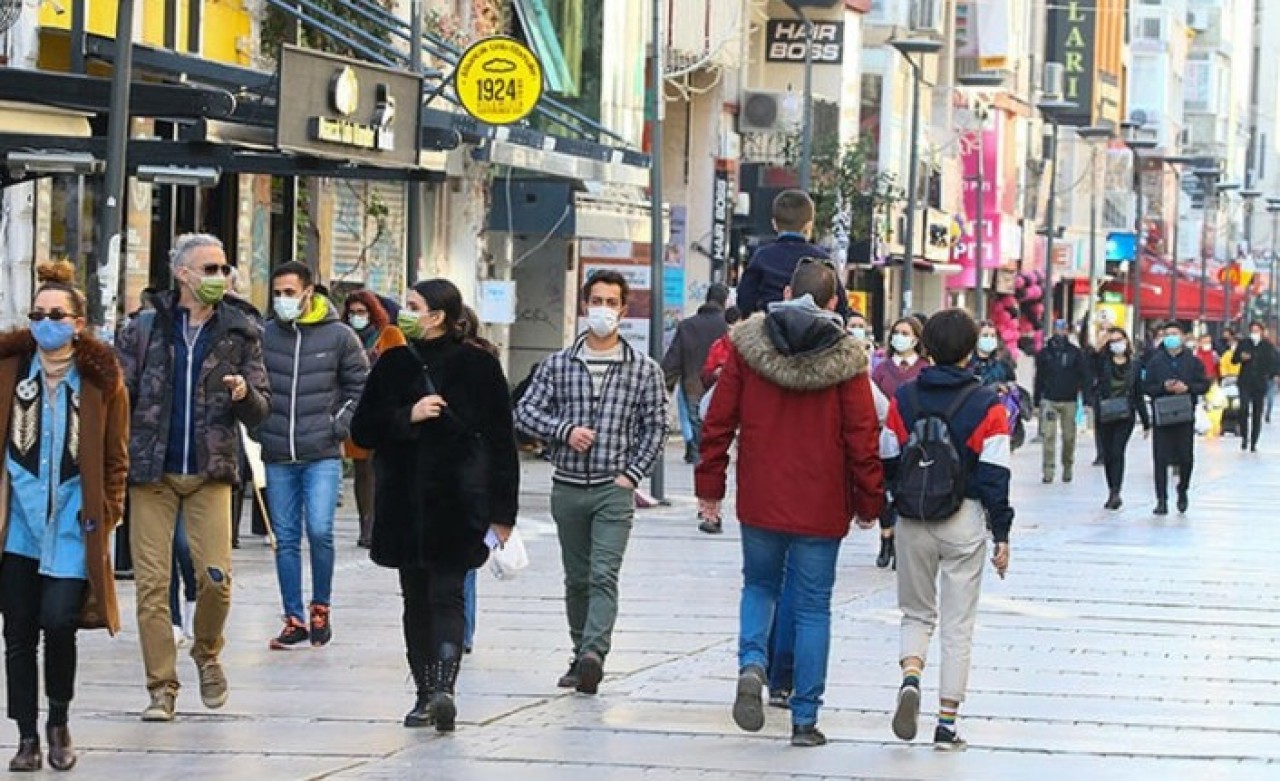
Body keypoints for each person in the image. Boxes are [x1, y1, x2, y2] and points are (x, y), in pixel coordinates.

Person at [695, 261, 884, 747]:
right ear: (834, 302)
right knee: (813, 607)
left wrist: (710, 488)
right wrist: (870, 502)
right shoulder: (848, 357)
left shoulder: (747, 346)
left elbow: (718, 421)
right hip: (822, 503)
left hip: (761, 496)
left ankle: (752, 663)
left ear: (785, 292)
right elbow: (863, 436)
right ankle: (804, 719)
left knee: (759, 586)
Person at [350, 279, 518, 732]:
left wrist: (503, 514)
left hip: (457, 503)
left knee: (447, 594)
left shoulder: (479, 366)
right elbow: (362, 429)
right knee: (415, 599)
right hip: (403, 504)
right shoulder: (394, 363)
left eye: (413, 305)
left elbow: (502, 443)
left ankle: (443, 689)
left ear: (438, 316)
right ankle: (425, 693)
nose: (404, 313)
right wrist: (408, 415)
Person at [115, 233, 271, 722]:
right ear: (182, 274)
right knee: (152, 587)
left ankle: (206, 651)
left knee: (215, 579)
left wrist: (245, 394)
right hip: (153, 473)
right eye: (209, 268)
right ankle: (161, 688)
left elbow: (261, 410)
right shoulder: (143, 329)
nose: (220, 277)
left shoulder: (240, 331)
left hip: (211, 471)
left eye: (224, 269)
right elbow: (119, 397)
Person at [514, 270, 669, 695]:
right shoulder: (559, 364)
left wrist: (631, 475)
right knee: (577, 577)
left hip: (612, 489)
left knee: (603, 573)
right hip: (567, 486)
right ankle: (578, 649)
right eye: (596, 301)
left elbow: (656, 427)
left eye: (611, 302)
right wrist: (564, 431)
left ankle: (593, 655)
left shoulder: (643, 369)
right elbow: (525, 412)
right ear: (585, 306)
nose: (603, 309)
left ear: (623, 309)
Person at [0, 262, 129, 772]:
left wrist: (107, 512)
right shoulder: (9, 372)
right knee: (17, 632)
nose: (46, 323)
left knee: (59, 623)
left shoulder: (101, 382)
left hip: (74, 526)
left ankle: (58, 721)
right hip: (17, 526)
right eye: (38, 314)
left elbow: (116, 460)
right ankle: (26, 736)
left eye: (57, 315)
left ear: (78, 323)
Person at [881, 308, 1014, 751]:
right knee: (958, 625)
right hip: (963, 518)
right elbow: (995, 475)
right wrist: (1001, 533)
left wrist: (891, 508)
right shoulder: (988, 403)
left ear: (927, 347)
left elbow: (887, 458)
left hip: (914, 517)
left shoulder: (904, 399)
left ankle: (911, 676)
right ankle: (946, 724)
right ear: (971, 350)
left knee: (916, 613)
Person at [258, 261, 369, 649]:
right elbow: (255, 386)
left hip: (321, 452)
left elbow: (360, 386)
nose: (282, 300)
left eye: (289, 292)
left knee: (320, 530)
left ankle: (321, 605)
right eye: (277, 293)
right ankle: (293, 617)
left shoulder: (339, 336)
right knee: (285, 538)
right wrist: (259, 427)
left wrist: (337, 426)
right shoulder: (266, 335)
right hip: (277, 453)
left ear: (308, 292)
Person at [340, 290, 405, 549]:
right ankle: (366, 525)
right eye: (352, 312)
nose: (356, 317)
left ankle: (382, 522)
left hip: (385, 408)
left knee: (382, 468)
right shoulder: (344, 336)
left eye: (361, 312)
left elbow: (402, 369)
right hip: (356, 409)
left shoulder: (389, 334)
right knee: (363, 469)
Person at [734, 190, 851, 319]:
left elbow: (744, 300)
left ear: (774, 224)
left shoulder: (762, 256)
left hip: (771, 324)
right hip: (814, 325)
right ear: (809, 226)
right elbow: (841, 306)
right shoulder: (822, 260)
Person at [869, 316, 926, 569]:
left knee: (907, 490)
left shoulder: (924, 368)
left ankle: (901, 542)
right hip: (883, 437)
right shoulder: (881, 369)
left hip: (914, 439)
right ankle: (886, 538)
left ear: (916, 338)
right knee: (885, 490)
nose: (900, 337)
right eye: (897, 332)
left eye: (906, 333)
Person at [1143, 322, 1211, 515]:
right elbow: (1147, 387)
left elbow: (1204, 385)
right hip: (1162, 415)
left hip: (1184, 415)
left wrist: (1187, 388)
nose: (1171, 337)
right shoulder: (1155, 362)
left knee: (1186, 458)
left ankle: (1183, 488)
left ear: (1182, 336)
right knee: (1160, 458)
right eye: (1167, 334)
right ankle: (1161, 499)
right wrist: (1163, 387)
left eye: (1175, 333)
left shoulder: (1193, 362)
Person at [662, 283, 730, 464]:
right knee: (715, 420)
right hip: (719, 383)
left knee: (694, 418)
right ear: (724, 302)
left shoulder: (687, 326)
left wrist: (665, 383)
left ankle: (695, 452)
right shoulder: (727, 327)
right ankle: (709, 454)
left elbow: (674, 358)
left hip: (692, 383)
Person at [1091, 328, 1151, 510]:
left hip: (1126, 414)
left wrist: (1146, 421)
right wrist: (1100, 341)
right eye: (1113, 341)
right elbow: (1089, 360)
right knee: (1108, 454)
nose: (1117, 344)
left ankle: (1116, 491)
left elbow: (1139, 393)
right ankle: (1111, 488)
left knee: (1117, 451)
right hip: (1105, 413)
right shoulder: (1102, 362)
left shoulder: (1135, 365)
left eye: (1120, 340)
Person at [1033, 319, 1091, 484]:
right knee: (1048, 435)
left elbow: (1084, 376)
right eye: (1058, 328)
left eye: (1063, 328)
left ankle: (1067, 466)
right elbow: (1039, 377)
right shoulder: (1045, 353)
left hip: (1069, 400)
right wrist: (1036, 402)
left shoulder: (1075, 353)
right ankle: (1048, 470)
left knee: (1069, 437)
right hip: (1049, 400)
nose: (1060, 331)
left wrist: (1086, 399)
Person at [1229, 321, 1278, 452]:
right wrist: (1241, 357)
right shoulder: (1244, 343)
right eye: (1252, 330)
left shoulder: (1267, 346)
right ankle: (1244, 436)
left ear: (1262, 332)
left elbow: (1274, 362)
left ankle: (1254, 441)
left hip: (1260, 382)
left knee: (1257, 412)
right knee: (1243, 408)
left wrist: (1272, 374)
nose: (1254, 333)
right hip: (1245, 381)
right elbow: (1234, 360)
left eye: (1257, 330)